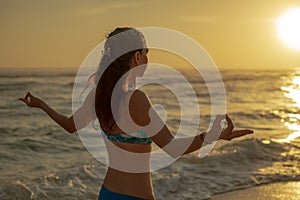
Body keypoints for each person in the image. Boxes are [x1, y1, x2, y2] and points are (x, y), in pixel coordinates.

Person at [20, 27, 253, 200]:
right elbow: (171, 147)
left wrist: (42, 105)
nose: (148, 58)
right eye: (145, 52)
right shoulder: (136, 100)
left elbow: (70, 125)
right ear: (136, 57)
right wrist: (213, 136)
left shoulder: (99, 96)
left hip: (108, 193)